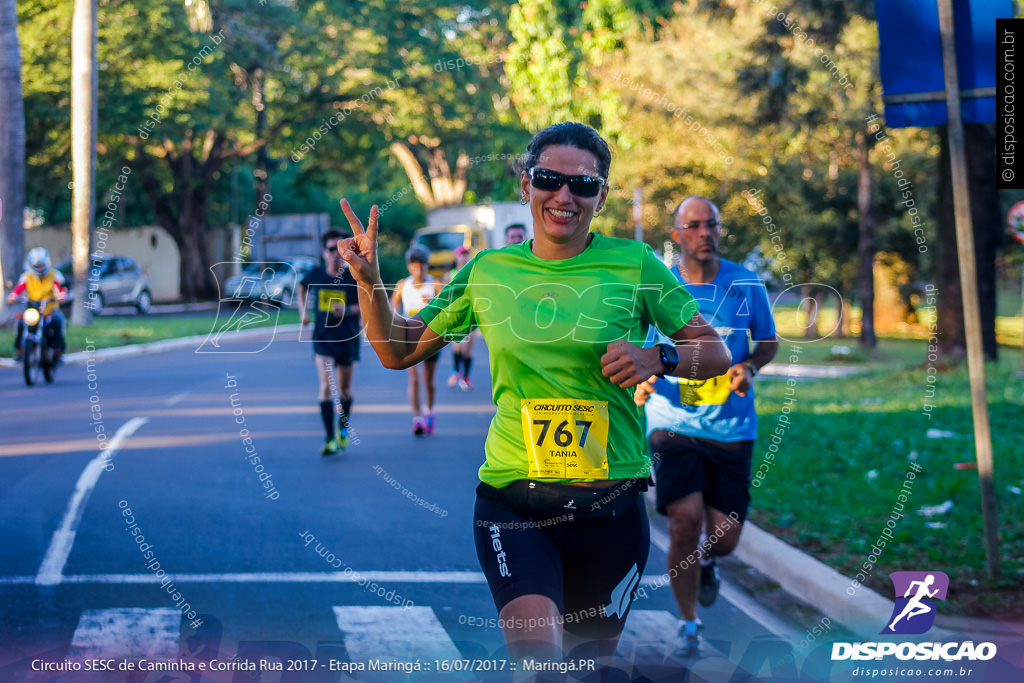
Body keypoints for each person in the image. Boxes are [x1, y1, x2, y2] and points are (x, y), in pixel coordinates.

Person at [338, 122, 731, 672]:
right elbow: (397, 349)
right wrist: (367, 279)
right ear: (526, 185)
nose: (564, 196)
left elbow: (713, 353)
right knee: (540, 664)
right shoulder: (488, 271)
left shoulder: (635, 265)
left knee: (586, 668)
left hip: (610, 506)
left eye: (583, 185)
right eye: (549, 178)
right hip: (514, 503)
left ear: (602, 196)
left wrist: (658, 358)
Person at [634, 195, 779, 657]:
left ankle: (711, 563)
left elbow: (768, 342)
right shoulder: (661, 287)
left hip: (732, 427)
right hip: (672, 421)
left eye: (711, 224)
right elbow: (639, 349)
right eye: (693, 226)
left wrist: (750, 367)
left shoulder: (745, 283)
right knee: (685, 521)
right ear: (677, 236)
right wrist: (640, 381)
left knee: (726, 536)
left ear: (720, 231)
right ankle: (689, 621)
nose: (704, 233)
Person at [298, 230, 362, 456]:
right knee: (326, 386)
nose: (335, 254)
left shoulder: (353, 276)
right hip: (323, 338)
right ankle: (329, 439)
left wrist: (348, 310)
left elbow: (368, 304)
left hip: (347, 338)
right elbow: (302, 287)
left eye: (339, 249)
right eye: (330, 249)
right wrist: (304, 311)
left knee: (344, 390)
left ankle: (342, 428)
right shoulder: (316, 273)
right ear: (324, 252)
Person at [391, 245, 444, 435]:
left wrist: (435, 306)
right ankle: (416, 418)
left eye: (422, 266)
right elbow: (393, 307)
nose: (418, 270)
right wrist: (395, 323)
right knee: (413, 379)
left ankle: (429, 411)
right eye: (414, 267)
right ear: (409, 267)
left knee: (429, 380)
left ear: (427, 266)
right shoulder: (402, 285)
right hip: (410, 338)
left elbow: (447, 306)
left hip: (432, 339)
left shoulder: (435, 284)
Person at [7, 247, 67, 362]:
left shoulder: (54, 275)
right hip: (33, 309)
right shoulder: (27, 276)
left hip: (49, 309)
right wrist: (13, 297)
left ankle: (57, 351)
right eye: (36, 266)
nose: (39, 268)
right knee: (21, 323)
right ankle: (21, 351)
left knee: (57, 322)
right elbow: (18, 290)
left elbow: (61, 289)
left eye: (41, 265)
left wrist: (61, 296)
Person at [445, 245, 475, 391]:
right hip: (455, 315)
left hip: (471, 315)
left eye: (466, 255)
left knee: (468, 350)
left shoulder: (474, 273)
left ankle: (466, 377)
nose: (464, 257)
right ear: (456, 257)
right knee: (457, 346)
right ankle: (456, 371)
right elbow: (443, 296)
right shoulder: (449, 274)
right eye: (461, 254)